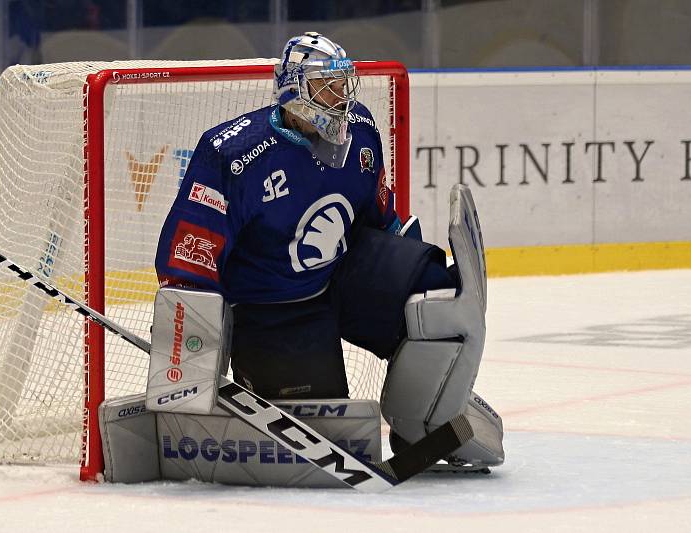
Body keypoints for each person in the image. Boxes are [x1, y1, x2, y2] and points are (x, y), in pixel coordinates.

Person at [156, 32, 504, 468]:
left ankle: (428, 414)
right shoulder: (233, 154)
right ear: (293, 89)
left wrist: (408, 277)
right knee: (326, 433)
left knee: (433, 291)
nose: (340, 97)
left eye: (344, 84)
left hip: (343, 272)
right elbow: (190, 261)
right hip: (274, 306)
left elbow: (381, 220)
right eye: (327, 86)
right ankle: (268, 373)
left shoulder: (360, 130)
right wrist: (191, 357)